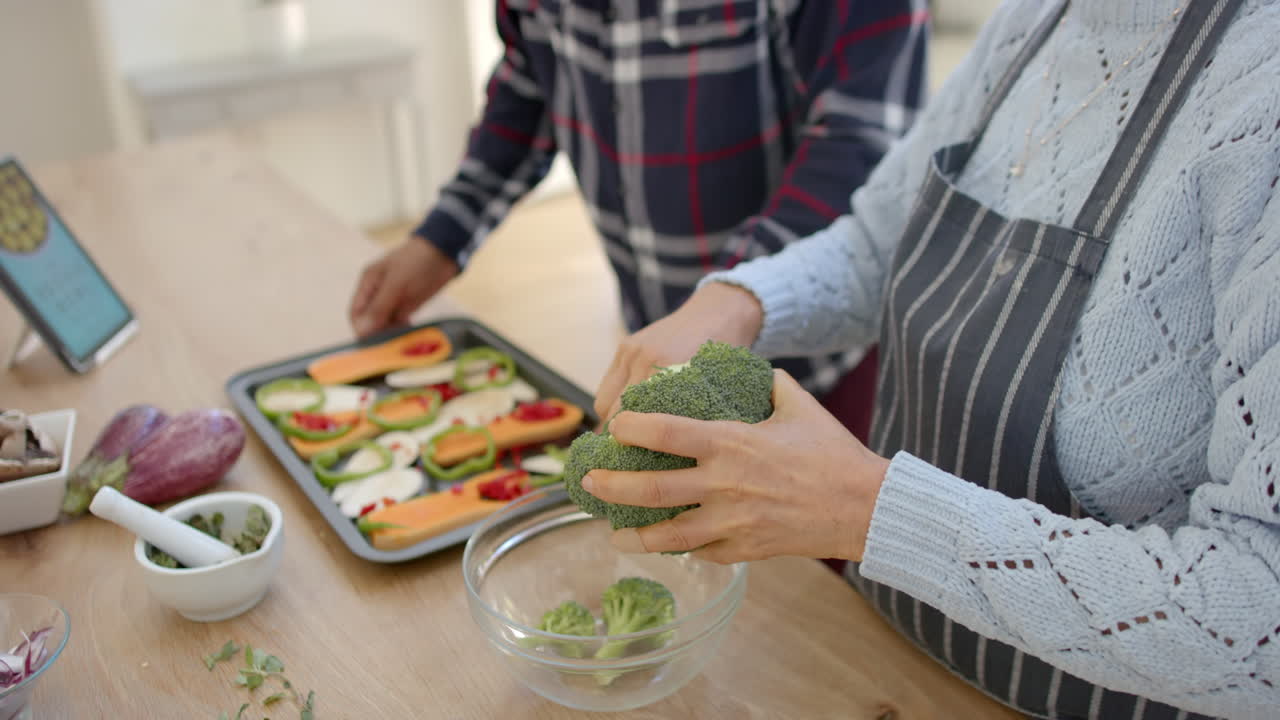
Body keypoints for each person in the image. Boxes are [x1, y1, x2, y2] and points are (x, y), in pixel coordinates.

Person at [583, 0, 1280, 717]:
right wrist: (735, 301)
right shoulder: (1037, 21)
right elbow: (879, 242)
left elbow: (1264, 622)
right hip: (888, 657)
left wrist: (868, 511)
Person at [348, 0, 930, 442]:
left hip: (828, 368)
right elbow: (529, 79)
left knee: (827, 589)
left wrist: (729, 302)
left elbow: (858, 145)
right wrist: (444, 234)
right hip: (663, 336)